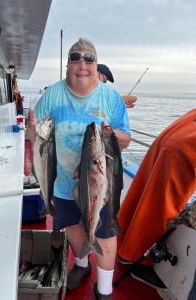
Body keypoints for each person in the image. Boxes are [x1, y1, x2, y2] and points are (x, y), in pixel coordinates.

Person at [27, 38, 131, 299]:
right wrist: (31, 131)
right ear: (68, 65)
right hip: (61, 181)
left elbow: (126, 139)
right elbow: (36, 132)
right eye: (76, 57)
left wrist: (109, 134)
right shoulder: (53, 94)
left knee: (104, 236)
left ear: (97, 65)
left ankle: (104, 290)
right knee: (73, 228)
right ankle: (82, 266)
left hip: (100, 184)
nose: (82, 64)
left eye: (89, 58)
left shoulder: (111, 98)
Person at [117, 108, 196, 289]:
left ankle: (126, 247)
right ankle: (136, 257)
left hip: (171, 140)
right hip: (181, 154)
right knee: (162, 207)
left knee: (145, 192)